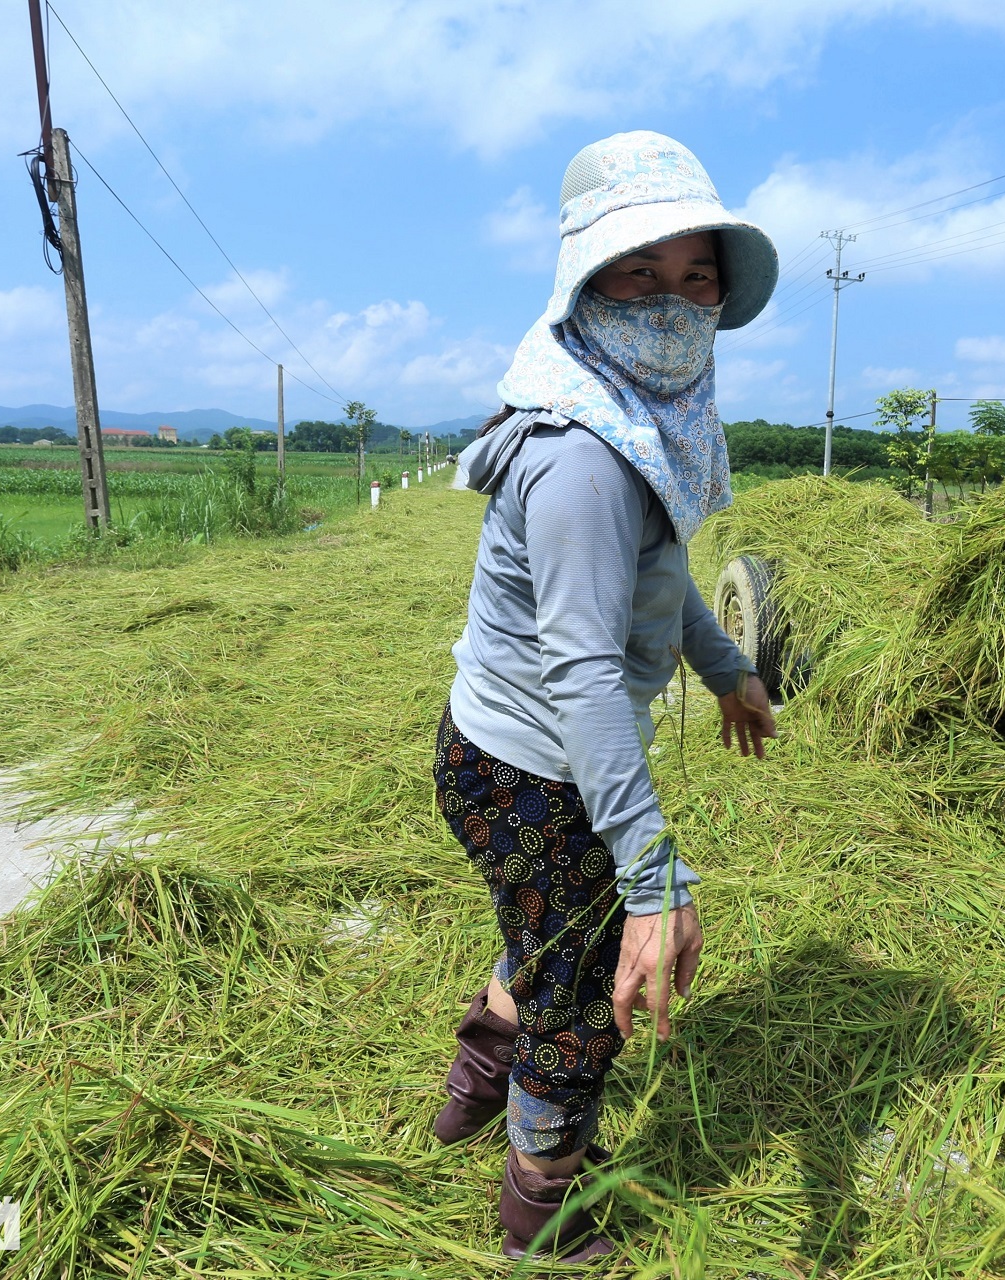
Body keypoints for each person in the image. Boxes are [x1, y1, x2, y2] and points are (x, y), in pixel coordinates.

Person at [430, 131, 780, 1263]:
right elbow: (580, 668)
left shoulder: (636, 430)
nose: (672, 302)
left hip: (503, 755)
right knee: (587, 993)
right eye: (640, 273)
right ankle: (546, 1209)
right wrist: (651, 868)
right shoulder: (582, 456)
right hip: (537, 770)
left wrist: (726, 667)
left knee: (540, 932)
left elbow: (656, 580)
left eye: (696, 277)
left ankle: (474, 1081)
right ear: (584, 287)